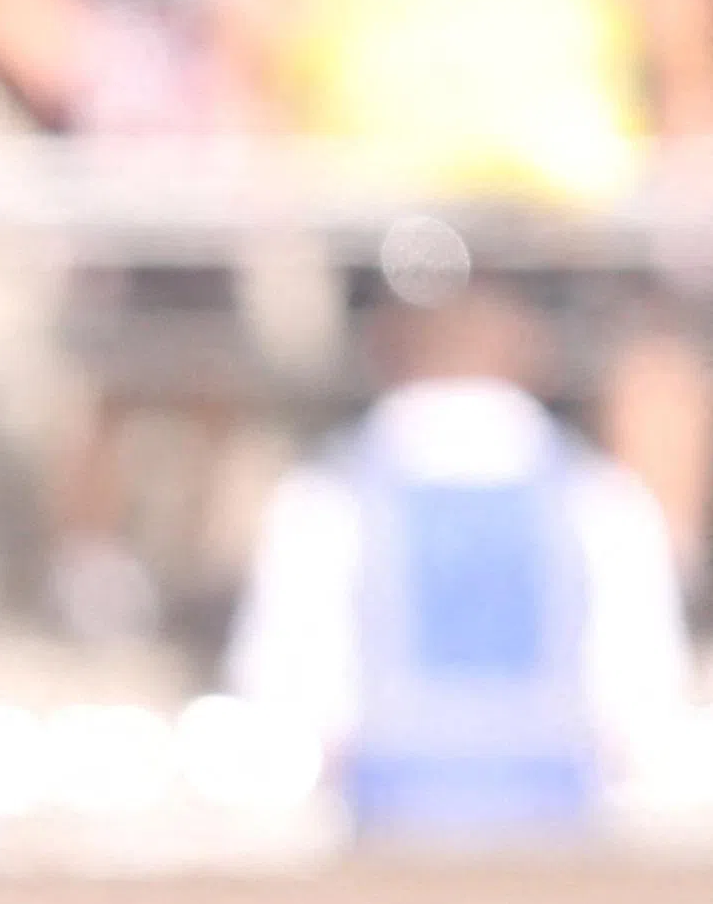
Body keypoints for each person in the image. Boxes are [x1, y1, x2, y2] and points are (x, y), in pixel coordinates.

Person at [225, 280, 690, 843]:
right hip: (559, 847)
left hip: (382, 847)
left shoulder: (325, 498)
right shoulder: (602, 498)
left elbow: (284, 696)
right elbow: (642, 704)